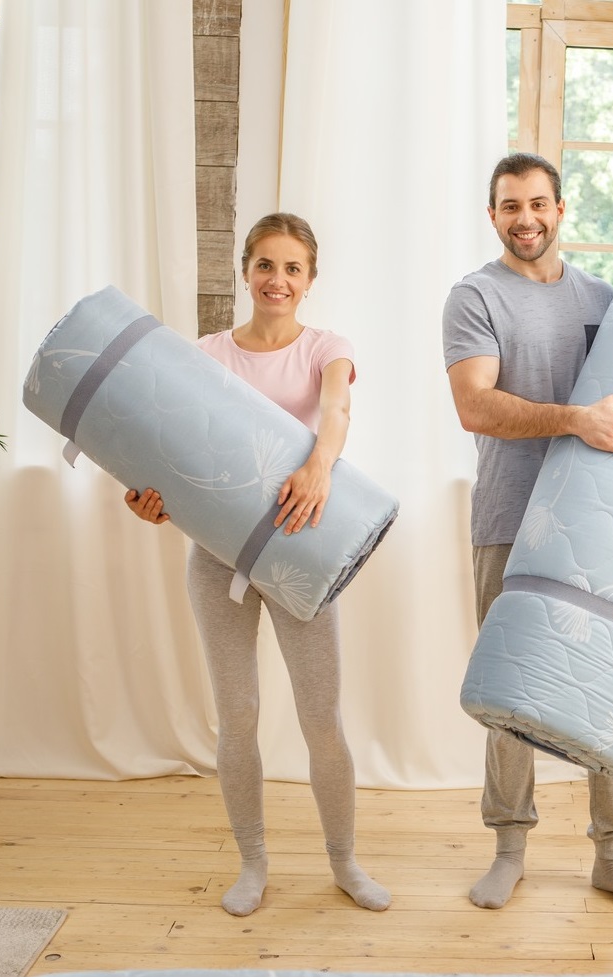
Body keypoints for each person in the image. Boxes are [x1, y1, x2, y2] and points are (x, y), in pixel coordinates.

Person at [125, 213, 389, 917]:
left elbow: (336, 409)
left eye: (292, 268)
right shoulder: (207, 352)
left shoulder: (327, 348)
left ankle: (344, 862)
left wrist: (320, 464)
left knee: (321, 718)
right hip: (217, 561)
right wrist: (153, 498)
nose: (278, 279)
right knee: (237, 716)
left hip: (301, 552)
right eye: (266, 265)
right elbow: (175, 443)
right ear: (245, 272)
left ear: (310, 279)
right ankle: (252, 862)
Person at [441, 153, 613, 916]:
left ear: (561, 208)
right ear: (493, 215)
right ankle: (508, 848)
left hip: (600, 522)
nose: (526, 218)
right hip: (509, 518)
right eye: (511, 206)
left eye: (538, 203)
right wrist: (574, 419)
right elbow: (475, 406)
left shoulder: (604, 299)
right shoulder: (475, 297)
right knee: (512, 690)